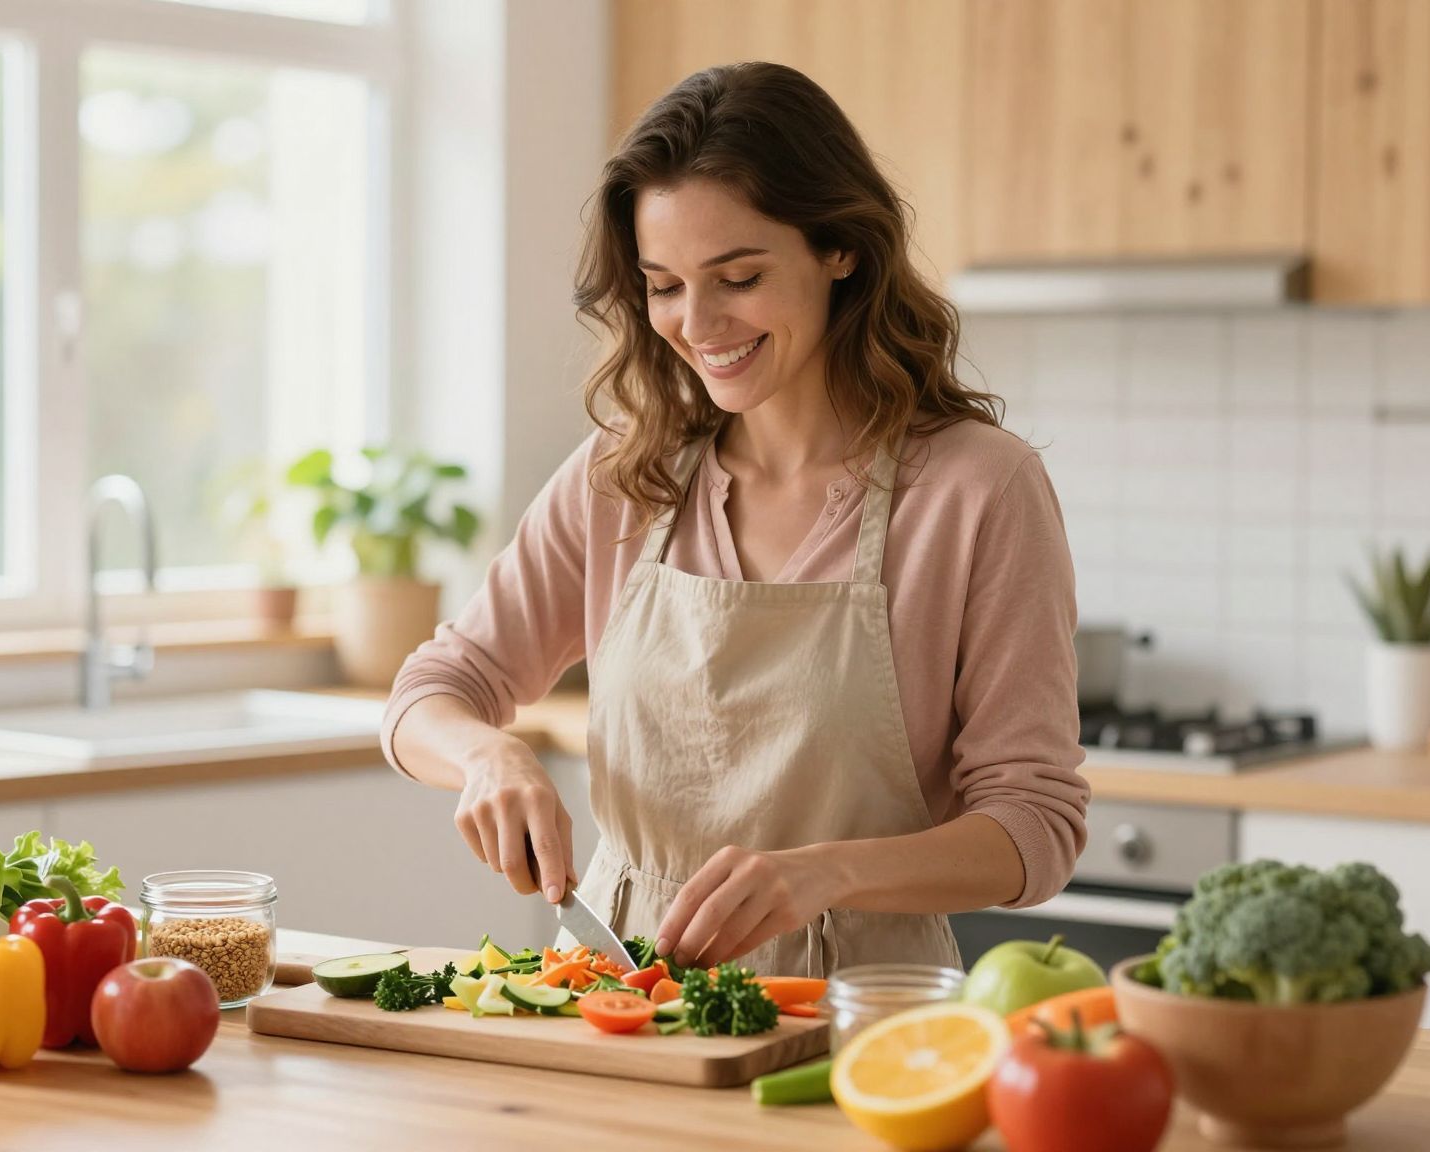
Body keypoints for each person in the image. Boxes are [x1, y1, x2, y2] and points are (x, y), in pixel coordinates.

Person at [379, 62, 1087, 977]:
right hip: (616, 997)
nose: (698, 322)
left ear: (840, 249)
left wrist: (824, 874)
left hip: (859, 1013)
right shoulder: (623, 475)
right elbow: (431, 690)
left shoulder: (977, 490)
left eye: (738, 276)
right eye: (663, 285)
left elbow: (1035, 826)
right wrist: (487, 757)